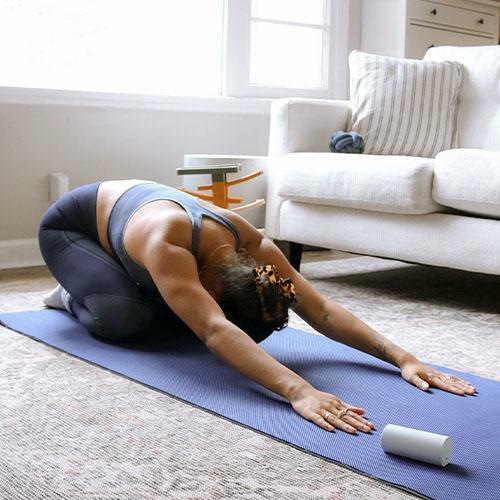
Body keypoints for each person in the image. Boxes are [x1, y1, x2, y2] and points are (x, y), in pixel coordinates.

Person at [39, 179, 477, 435]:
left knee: (181, 319)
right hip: (73, 231)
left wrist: (404, 358)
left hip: (146, 248)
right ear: (214, 289)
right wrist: (298, 390)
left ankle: (137, 287)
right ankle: (71, 296)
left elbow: (320, 309)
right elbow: (214, 330)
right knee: (125, 319)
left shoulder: (255, 246)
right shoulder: (168, 243)